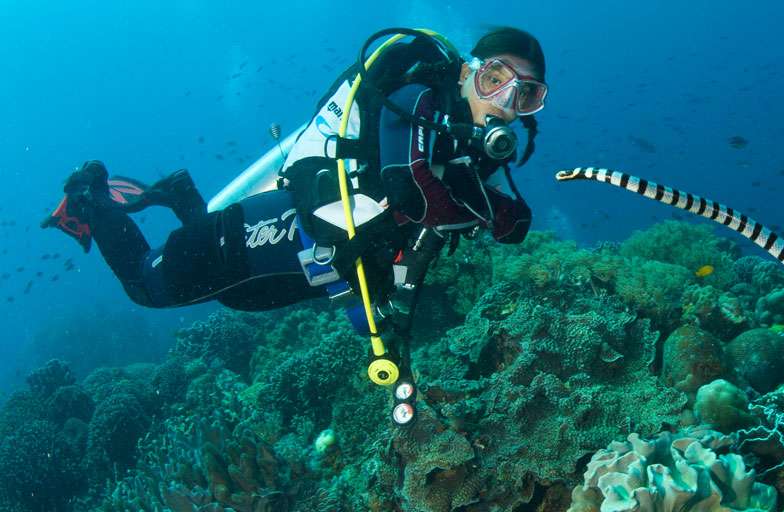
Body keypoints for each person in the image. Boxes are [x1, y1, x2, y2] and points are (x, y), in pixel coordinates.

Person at [44, 28, 548, 420]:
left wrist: (500, 212)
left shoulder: (460, 149)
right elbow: (410, 190)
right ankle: (90, 195)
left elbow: (474, 219)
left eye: (524, 96)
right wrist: (495, 212)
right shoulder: (419, 100)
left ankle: (181, 193)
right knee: (145, 286)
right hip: (276, 234)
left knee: (234, 296)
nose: (503, 102)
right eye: (494, 80)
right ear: (466, 73)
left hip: (307, 266)